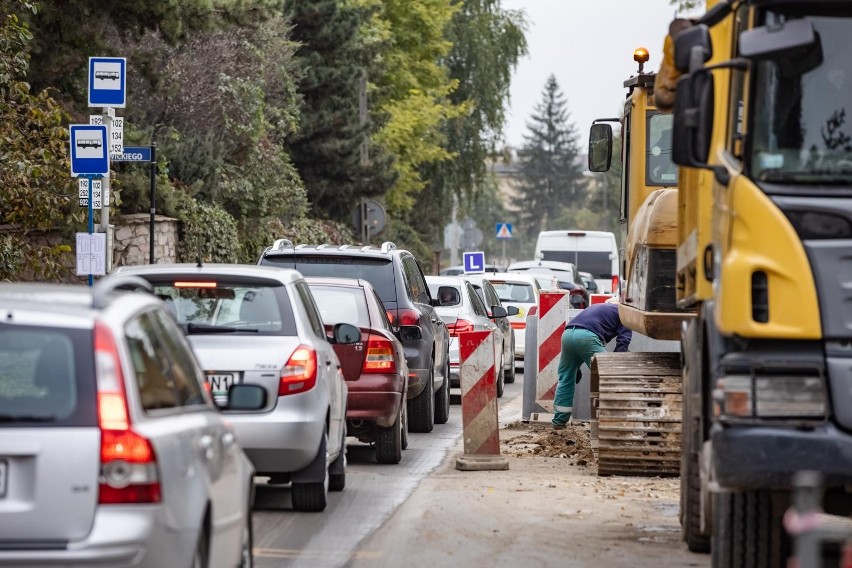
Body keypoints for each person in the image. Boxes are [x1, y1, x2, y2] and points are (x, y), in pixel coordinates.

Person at [552, 300, 632, 430]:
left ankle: (559, 422)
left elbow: (580, 335)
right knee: (608, 378)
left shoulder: (599, 307)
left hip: (568, 334)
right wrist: (616, 363)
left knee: (566, 378)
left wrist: (576, 365)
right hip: (588, 337)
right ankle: (612, 421)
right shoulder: (626, 313)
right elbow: (623, 341)